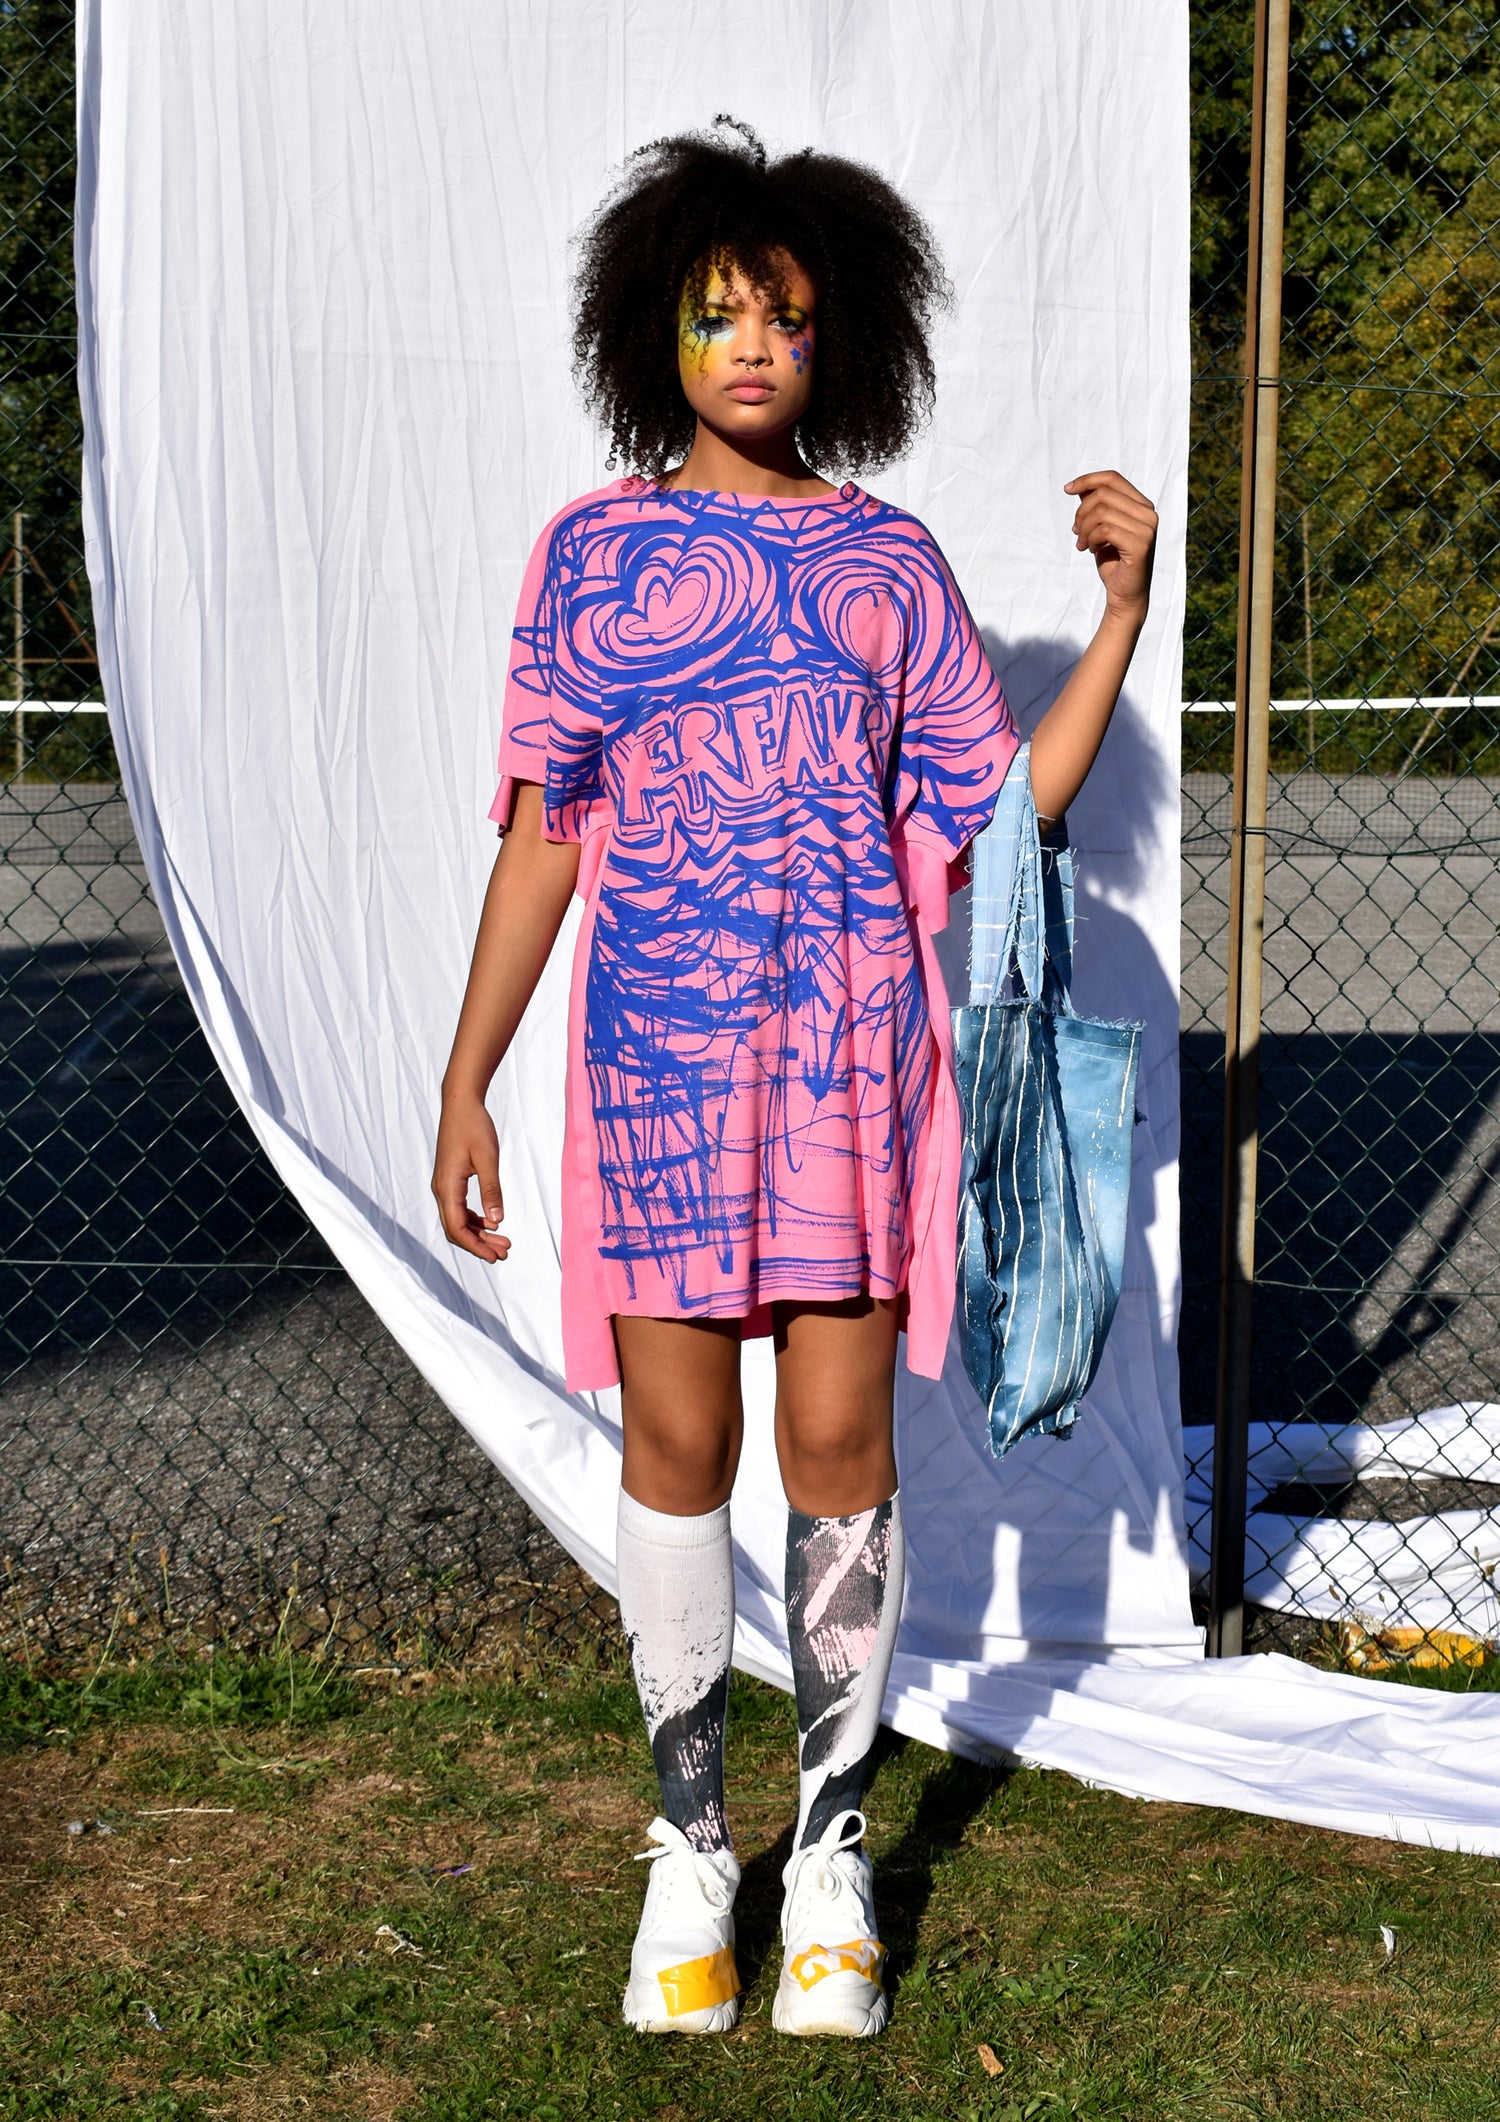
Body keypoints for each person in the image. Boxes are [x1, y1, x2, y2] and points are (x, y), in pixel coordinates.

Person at [433, 119, 1157, 2041]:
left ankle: (829, 1854)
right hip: (656, 1078)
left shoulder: (887, 565)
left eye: (787, 316)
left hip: (852, 1075)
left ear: (844, 341)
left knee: (839, 1455)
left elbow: (1000, 811)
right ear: (652, 328)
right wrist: (467, 1074)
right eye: (716, 310)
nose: (752, 343)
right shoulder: (589, 559)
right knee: (676, 1455)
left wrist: (1119, 619)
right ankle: (691, 1849)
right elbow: (541, 840)